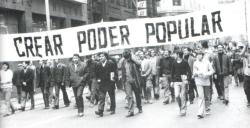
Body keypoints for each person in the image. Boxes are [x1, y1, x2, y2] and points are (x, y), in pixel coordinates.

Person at [119, 50, 143, 117]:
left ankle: (139, 107)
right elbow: (119, 66)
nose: (127, 59)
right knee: (129, 96)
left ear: (130, 56)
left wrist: (133, 59)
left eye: (128, 57)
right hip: (127, 81)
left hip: (135, 80)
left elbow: (139, 64)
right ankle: (131, 111)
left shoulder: (134, 61)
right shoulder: (123, 61)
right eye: (125, 58)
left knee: (137, 95)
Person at [193, 52, 214, 119]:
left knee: (206, 96)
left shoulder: (207, 62)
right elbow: (194, 72)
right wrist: (197, 73)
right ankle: (200, 112)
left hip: (206, 81)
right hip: (198, 81)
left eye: (200, 55)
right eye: (197, 55)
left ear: (202, 55)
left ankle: (207, 108)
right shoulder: (195, 63)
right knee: (201, 96)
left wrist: (206, 74)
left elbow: (212, 71)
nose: (198, 56)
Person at [95, 52, 116, 117]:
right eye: (100, 56)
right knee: (101, 97)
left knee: (112, 96)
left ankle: (112, 109)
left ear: (106, 57)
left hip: (110, 82)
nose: (101, 58)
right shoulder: (98, 64)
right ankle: (100, 111)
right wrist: (98, 79)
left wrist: (113, 80)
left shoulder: (110, 63)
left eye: (102, 56)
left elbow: (113, 72)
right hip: (102, 83)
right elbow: (96, 74)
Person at [171, 51, 191, 116]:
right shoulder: (174, 62)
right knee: (177, 95)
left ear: (178, 55)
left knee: (183, 96)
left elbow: (189, 71)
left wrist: (188, 79)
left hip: (183, 81)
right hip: (176, 81)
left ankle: (183, 109)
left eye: (175, 54)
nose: (174, 55)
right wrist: (172, 81)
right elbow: (172, 72)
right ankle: (180, 107)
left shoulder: (185, 62)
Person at [240, 43, 250, 107]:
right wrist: (245, 46)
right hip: (247, 75)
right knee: (246, 89)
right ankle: (249, 100)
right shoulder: (247, 55)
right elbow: (241, 54)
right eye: (249, 49)